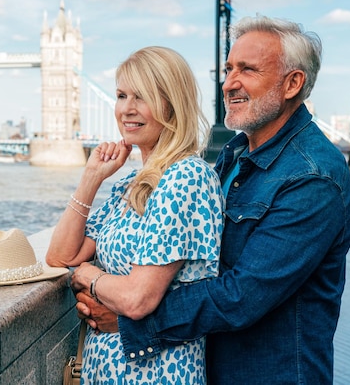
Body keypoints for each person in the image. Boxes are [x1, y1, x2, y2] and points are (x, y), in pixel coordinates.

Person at [75, 16, 350, 384]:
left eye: (247, 70)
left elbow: (243, 295)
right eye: (228, 69)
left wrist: (133, 319)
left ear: (292, 83)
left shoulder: (313, 176)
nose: (230, 83)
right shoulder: (234, 156)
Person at [46, 46, 224, 384]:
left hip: (155, 372)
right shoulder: (131, 183)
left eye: (142, 97)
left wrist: (88, 276)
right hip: (111, 369)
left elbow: (137, 299)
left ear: (172, 104)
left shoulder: (186, 177)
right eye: (121, 95)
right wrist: (91, 178)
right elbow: (60, 256)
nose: (127, 109)